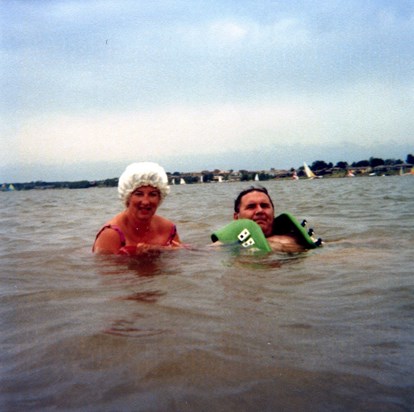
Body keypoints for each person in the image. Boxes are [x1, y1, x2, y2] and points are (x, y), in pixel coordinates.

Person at [93, 162, 181, 255]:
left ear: (160, 198)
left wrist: (161, 250)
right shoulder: (110, 235)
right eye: (139, 194)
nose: (146, 201)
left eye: (152, 194)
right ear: (127, 197)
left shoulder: (168, 229)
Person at [233, 185, 307, 253]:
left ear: (273, 213)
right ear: (236, 218)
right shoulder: (224, 242)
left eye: (264, 206)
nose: (260, 211)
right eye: (251, 207)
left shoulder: (291, 240)